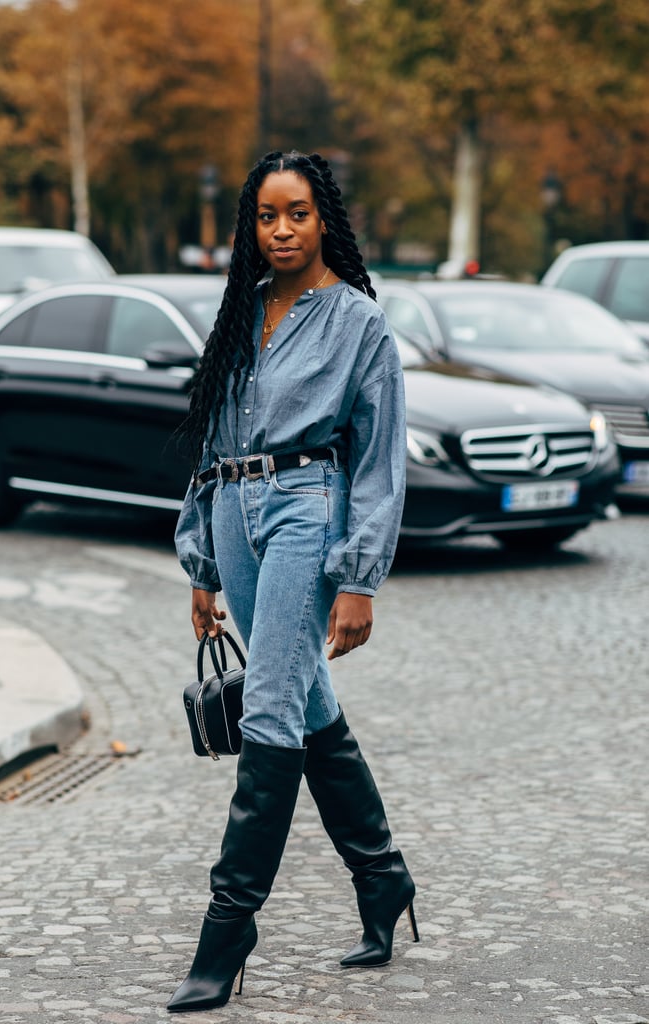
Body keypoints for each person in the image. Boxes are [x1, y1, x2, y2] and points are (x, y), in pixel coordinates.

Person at [168, 150, 417, 1014]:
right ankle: (383, 881)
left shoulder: (356, 322)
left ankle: (227, 928)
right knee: (304, 701)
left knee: (270, 705)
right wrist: (199, 560)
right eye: (267, 215)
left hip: (308, 506)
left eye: (297, 213)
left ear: (324, 221)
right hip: (233, 511)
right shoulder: (240, 313)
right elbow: (209, 440)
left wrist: (359, 579)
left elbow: (380, 456)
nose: (280, 231)